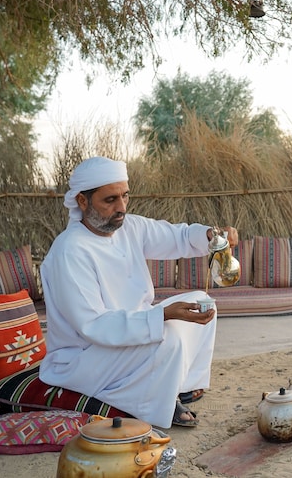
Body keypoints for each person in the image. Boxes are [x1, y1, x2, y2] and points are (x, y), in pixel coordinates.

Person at [39, 156, 238, 429]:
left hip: (133, 332)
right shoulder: (69, 250)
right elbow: (93, 325)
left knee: (202, 303)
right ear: (82, 202)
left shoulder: (129, 227)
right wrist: (161, 316)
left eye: (125, 196)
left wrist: (209, 236)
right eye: (110, 200)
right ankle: (158, 402)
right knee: (169, 337)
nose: (121, 207)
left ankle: (181, 386)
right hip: (85, 356)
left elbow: (176, 237)